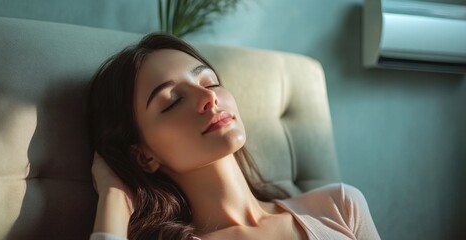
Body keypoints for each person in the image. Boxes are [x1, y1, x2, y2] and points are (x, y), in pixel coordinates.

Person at [88, 33, 380, 240]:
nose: (208, 98)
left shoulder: (340, 206)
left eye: (209, 82)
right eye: (173, 100)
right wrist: (114, 196)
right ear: (144, 155)